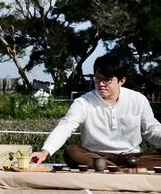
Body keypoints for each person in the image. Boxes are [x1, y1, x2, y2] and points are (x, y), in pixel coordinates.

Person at [30, 53, 161, 169]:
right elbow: (65, 127)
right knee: (71, 152)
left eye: (107, 80)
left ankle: (116, 168)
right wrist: (45, 151)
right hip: (96, 156)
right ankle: (120, 168)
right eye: (98, 78)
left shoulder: (138, 99)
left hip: (132, 156)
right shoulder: (83, 102)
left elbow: (152, 130)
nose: (101, 84)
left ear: (121, 81)